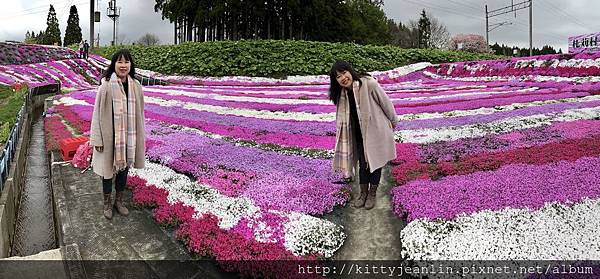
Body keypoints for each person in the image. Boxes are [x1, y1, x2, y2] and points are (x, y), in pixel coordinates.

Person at [329, 60, 397, 210]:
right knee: (362, 164)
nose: (343, 78)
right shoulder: (341, 95)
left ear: (350, 71)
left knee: (375, 163)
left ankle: (372, 194)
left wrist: (393, 120)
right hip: (357, 134)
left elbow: (385, 102)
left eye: (344, 73)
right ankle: (362, 193)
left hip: (375, 131)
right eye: (338, 76)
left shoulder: (368, 84)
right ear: (336, 81)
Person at [90, 49, 145, 220]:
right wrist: (97, 138)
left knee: (123, 170)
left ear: (131, 65)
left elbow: (140, 114)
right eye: (120, 62)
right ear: (114, 64)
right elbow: (97, 113)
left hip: (128, 137)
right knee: (107, 171)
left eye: (126, 62)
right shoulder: (106, 85)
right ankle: (107, 203)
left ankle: (118, 201)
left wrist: (140, 136)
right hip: (109, 136)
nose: (123, 65)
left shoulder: (136, 86)